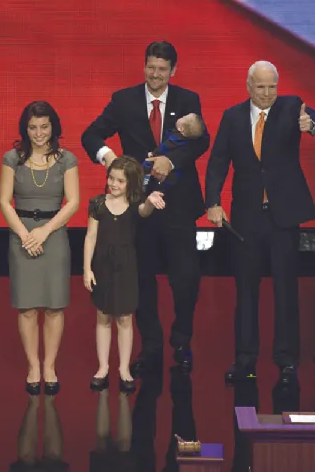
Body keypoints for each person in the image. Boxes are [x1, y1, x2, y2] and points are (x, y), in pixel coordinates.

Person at [81, 41, 209, 377]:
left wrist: (171, 159)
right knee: (142, 279)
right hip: (138, 207)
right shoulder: (124, 100)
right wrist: (109, 158)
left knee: (186, 278)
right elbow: (90, 134)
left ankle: (181, 342)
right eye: (151, 67)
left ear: (173, 71)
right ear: (144, 66)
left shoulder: (187, 100)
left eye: (162, 69)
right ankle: (150, 346)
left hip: (179, 205)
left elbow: (202, 140)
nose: (155, 74)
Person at [205, 60, 315, 385]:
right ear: (248, 86)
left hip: (283, 215)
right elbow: (217, 161)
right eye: (261, 87)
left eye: (272, 86)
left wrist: (309, 123)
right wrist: (213, 202)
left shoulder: (291, 107)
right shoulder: (232, 117)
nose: (268, 93)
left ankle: (286, 360)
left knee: (286, 289)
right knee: (246, 291)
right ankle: (245, 359)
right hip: (246, 218)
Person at [0, 101, 80, 395]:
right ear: (25, 129)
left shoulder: (67, 159)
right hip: (21, 235)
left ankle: (50, 366)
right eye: (33, 127)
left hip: (54, 235)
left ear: (53, 127)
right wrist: (24, 235)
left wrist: (44, 232)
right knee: (28, 306)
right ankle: (33, 365)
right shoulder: (12, 158)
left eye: (44, 126)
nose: (39, 133)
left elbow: (73, 202)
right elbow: (4, 201)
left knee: (55, 306)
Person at [84, 157, 166, 393]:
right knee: (103, 316)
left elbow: (145, 211)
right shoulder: (98, 203)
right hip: (102, 266)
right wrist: (87, 269)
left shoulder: (136, 203)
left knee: (125, 318)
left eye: (120, 180)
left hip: (127, 266)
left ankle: (124, 369)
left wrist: (150, 200)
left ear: (131, 183)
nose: (114, 184)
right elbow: (90, 237)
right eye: (111, 178)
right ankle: (102, 368)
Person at [142, 113, 205, 193]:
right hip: (175, 174)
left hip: (163, 165)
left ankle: (144, 183)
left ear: (181, 128)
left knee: (146, 165)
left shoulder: (175, 139)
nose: (180, 117)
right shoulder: (183, 139)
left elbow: (164, 147)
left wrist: (153, 153)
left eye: (183, 117)